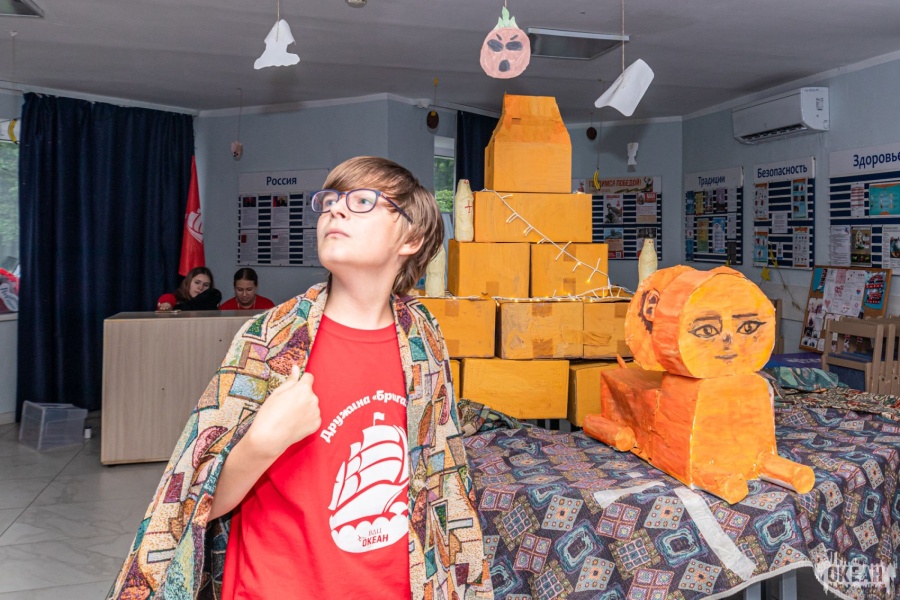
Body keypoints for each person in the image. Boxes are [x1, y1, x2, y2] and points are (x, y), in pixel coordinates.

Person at [109, 157, 492, 600]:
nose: (335, 209)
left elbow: (442, 474)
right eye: (328, 201)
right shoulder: (270, 339)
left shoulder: (423, 337)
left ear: (412, 237)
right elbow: (193, 503)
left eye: (361, 201)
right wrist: (262, 442)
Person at [156, 266, 222, 311]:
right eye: (197, 282)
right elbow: (167, 299)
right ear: (188, 282)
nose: (201, 287)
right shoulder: (174, 298)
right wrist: (166, 305)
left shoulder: (212, 304)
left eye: (206, 285)